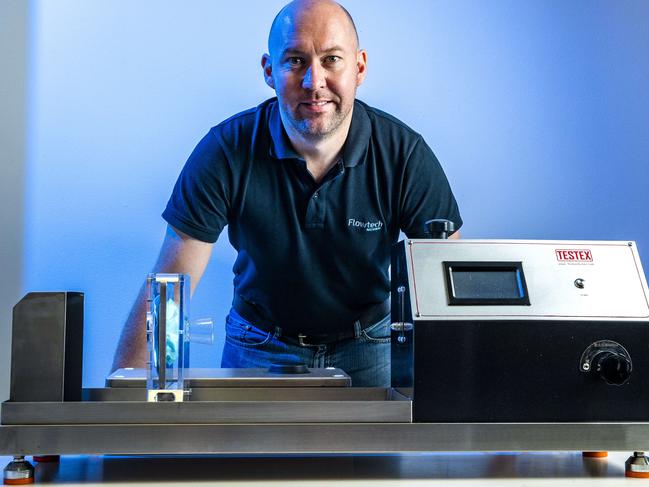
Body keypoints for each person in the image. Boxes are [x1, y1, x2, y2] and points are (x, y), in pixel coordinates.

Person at [112, 0, 462, 387]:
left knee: (375, 450)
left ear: (359, 67)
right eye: (295, 61)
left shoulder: (404, 155)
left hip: (370, 344)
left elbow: (445, 291)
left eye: (331, 59)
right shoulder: (226, 150)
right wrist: (128, 401)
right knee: (251, 451)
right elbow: (169, 288)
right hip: (259, 343)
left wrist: (469, 403)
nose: (314, 82)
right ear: (269, 71)